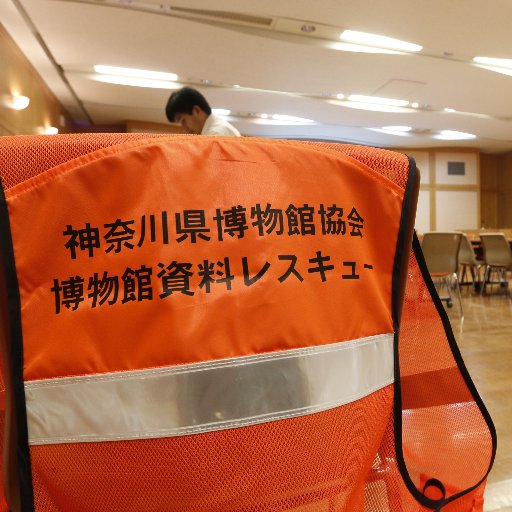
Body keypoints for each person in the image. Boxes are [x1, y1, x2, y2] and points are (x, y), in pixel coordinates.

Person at [165, 87, 241, 136]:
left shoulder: (216, 133)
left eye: (183, 120)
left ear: (196, 111)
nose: (184, 128)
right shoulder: (215, 130)